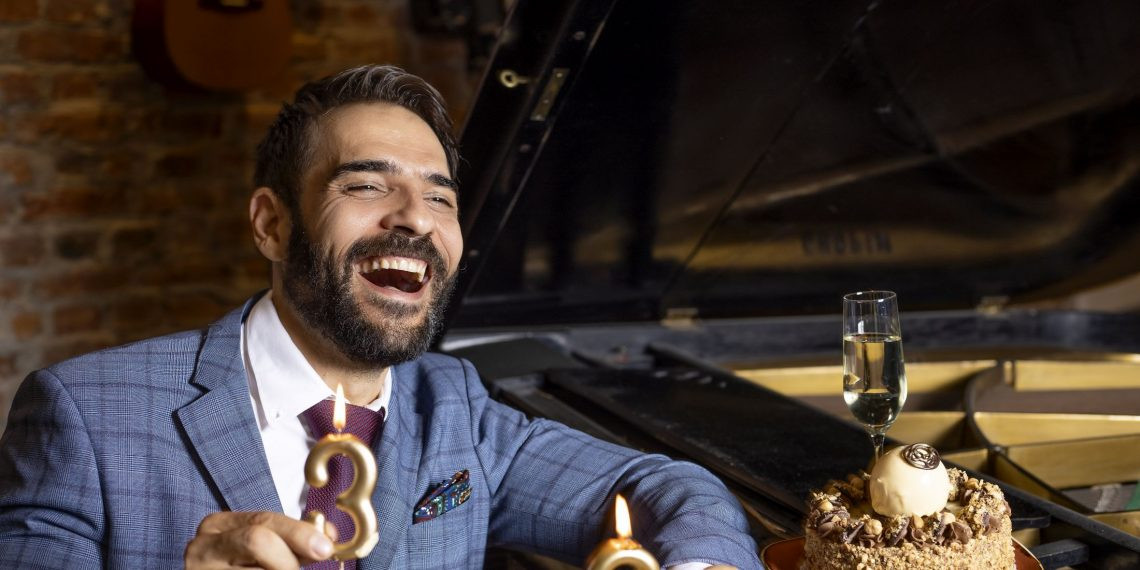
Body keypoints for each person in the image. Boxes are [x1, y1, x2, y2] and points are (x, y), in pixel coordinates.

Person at [0, 65, 761, 569]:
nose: (416, 218)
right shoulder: (86, 415)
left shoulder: (455, 407)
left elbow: (669, 486)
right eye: (367, 186)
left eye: (440, 197)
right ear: (271, 224)